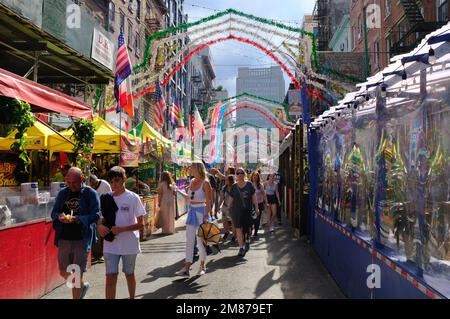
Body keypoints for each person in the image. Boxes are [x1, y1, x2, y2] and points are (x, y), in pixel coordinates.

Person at [96, 166, 146, 299]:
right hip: (110, 244)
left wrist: (122, 229)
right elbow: (100, 219)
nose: (114, 184)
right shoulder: (105, 198)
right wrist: (99, 227)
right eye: (111, 181)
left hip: (129, 244)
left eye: (117, 180)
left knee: (129, 274)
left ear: (124, 179)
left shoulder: (133, 198)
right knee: (110, 277)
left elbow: (141, 225)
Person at [51, 167, 100, 299]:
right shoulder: (63, 193)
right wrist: (60, 216)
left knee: (76, 274)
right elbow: (53, 213)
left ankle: (77, 293)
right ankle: (82, 286)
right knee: (64, 272)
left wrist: (78, 219)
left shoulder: (90, 193)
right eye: (69, 182)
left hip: (81, 238)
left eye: (74, 183)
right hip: (64, 238)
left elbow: (96, 215)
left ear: (82, 179)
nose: (71, 186)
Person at [176, 161, 213, 277]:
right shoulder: (191, 181)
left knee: (200, 242)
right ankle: (186, 267)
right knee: (189, 241)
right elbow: (189, 199)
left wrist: (207, 216)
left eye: (191, 167)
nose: (189, 169)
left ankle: (202, 265)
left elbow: (209, 201)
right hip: (192, 212)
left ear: (197, 168)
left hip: (201, 213)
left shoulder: (206, 183)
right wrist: (177, 191)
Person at [227, 168, 259, 257]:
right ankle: (241, 248)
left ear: (244, 174)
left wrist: (256, 208)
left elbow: (254, 197)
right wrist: (228, 209)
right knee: (238, 229)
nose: (240, 174)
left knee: (248, 229)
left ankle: (248, 238)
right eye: (238, 173)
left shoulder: (249, 185)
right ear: (236, 175)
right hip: (237, 211)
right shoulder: (233, 186)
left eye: (241, 173)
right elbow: (230, 199)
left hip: (247, 211)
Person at [89, 174, 112, 264]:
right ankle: (95, 254)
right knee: (95, 235)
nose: (92, 187)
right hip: (93, 213)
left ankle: (100, 254)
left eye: (92, 185)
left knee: (101, 235)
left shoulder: (105, 185)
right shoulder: (89, 187)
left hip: (103, 214)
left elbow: (110, 199)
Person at [251, 172, 269, 238]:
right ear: (252, 176)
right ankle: (251, 229)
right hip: (251, 204)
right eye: (254, 176)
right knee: (251, 218)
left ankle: (255, 231)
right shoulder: (250, 185)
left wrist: (266, 202)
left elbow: (264, 194)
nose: (255, 177)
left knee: (257, 218)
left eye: (256, 176)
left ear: (258, 177)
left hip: (260, 204)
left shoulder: (260, 185)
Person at [219, 174, 235, 241]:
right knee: (224, 220)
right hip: (225, 206)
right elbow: (222, 197)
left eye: (226, 180)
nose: (225, 181)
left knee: (233, 222)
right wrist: (218, 206)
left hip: (233, 207)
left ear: (230, 180)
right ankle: (227, 232)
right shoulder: (224, 188)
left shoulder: (235, 187)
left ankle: (234, 236)